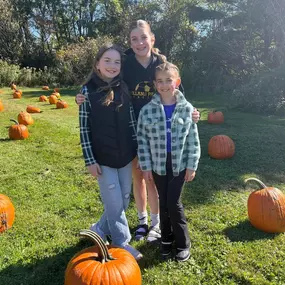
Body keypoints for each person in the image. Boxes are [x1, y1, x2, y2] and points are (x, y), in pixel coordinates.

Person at [75, 19, 200, 243]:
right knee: (138, 177)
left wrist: (192, 112)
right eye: (134, 39)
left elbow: (176, 91)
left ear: (152, 39)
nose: (140, 42)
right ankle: (141, 221)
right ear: (130, 43)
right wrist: (83, 95)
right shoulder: (126, 63)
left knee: (152, 178)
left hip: (158, 128)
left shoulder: (160, 63)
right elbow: (105, 78)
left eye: (143, 37)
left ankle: (156, 223)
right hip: (133, 129)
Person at [79, 43, 142, 260]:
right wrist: (89, 159)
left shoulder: (124, 88)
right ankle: (121, 243)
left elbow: (132, 122)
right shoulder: (87, 92)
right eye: (107, 60)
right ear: (97, 64)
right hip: (103, 158)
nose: (112, 65)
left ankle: (98, 228)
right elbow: (84, 128)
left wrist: (138, 151)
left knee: (124, 201)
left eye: (116, 61)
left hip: (125, 156)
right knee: (114, 204)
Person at [137, 62, 201, 262]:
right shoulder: (147, 111)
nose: (164, 85)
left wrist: (192, 165)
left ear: (177, 82)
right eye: (160, 81)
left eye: (169, 80)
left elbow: (193, 140)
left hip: (179, 165)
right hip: (157, 165)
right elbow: (142, 141)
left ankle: (183, 243)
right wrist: (146, 167)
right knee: (164, 202)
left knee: (173, 203)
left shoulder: (187, 109)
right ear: (155, 84)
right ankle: (166, 239)